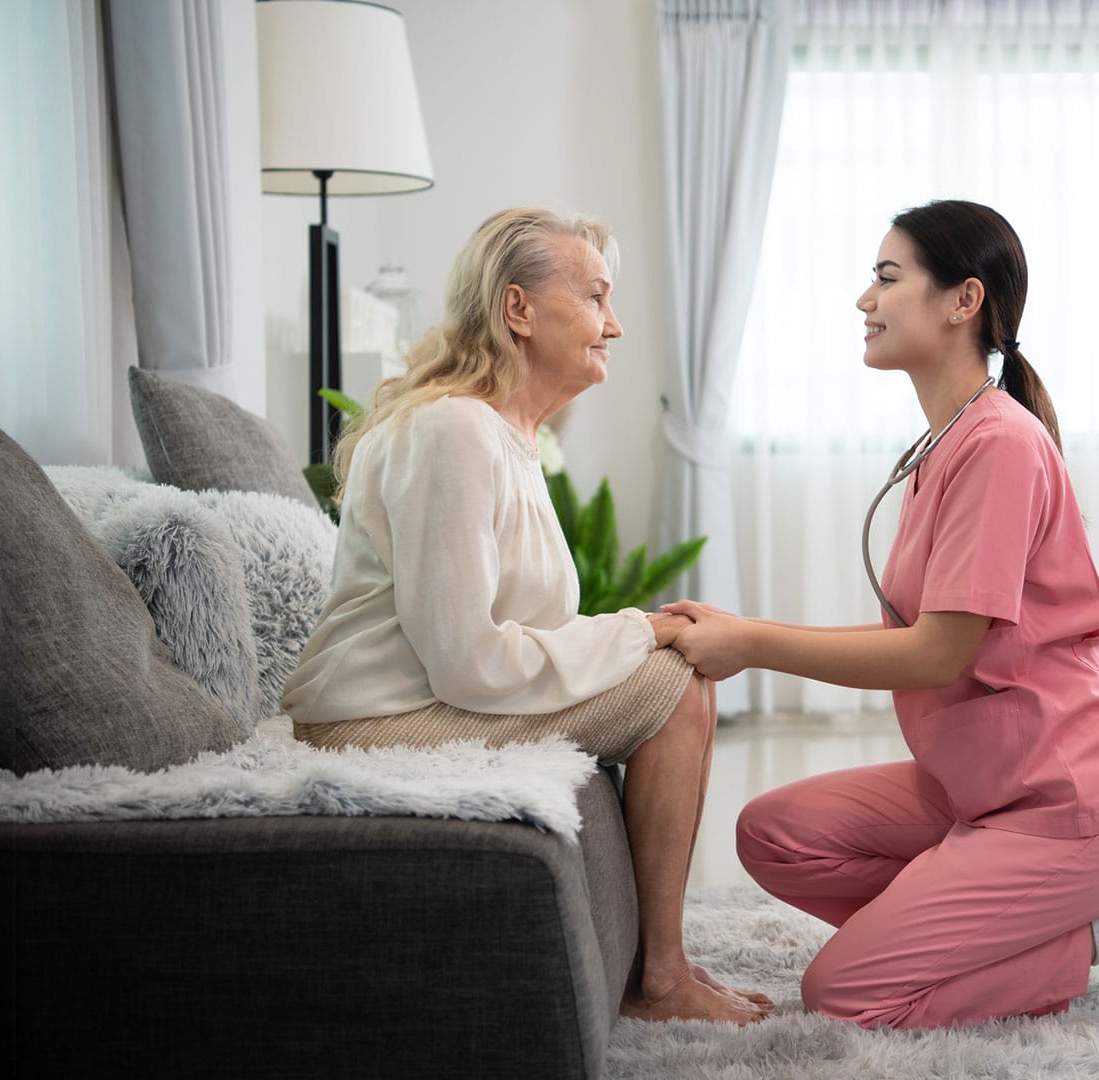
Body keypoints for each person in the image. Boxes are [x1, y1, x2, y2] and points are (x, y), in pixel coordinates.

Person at [663, 199, 1099, 1030]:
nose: (865, 299)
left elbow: (935, 655)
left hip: (1070, 802)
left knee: (844, 994)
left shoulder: (999, 445)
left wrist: (753, 644)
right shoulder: (946, 443)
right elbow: (916, 639)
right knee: (774, 834)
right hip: (981, 785)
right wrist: (742, 634)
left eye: (887, 278)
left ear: (964, 300)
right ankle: (966, 928)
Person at [281, 208, 771, 1027]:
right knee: (674, 688)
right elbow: (467, 660)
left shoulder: (502, 434)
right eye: (595, 297)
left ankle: (665, 968)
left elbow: (513, 633)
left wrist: (636, 628)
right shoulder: (451, 431)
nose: (614, 325)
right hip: (370, 722)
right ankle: (660, 981)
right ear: (518, 309)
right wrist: (637, 631)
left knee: (677, 674)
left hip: (421, 702)